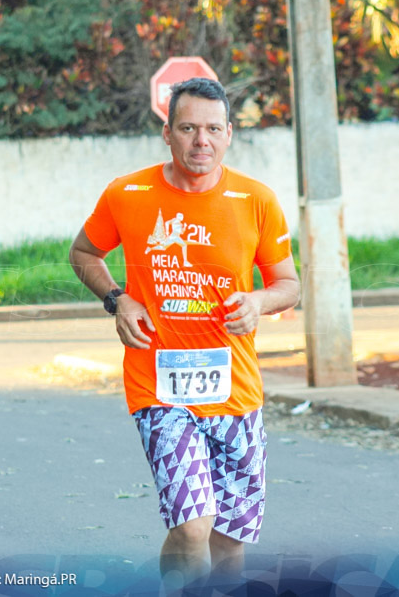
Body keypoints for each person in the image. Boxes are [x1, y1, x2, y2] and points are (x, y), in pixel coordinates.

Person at [68, 77, 301, 590]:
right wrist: (118, 298)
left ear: (230, 134)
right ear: (167, 133)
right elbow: (83, 253)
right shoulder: (128, 194)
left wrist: (259, 302)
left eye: (213, 129)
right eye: (189, 128)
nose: (202, 141)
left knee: (228, 540)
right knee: (193, 527)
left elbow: (289, 285)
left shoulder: (256, 200)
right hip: (159, 389)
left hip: (237, 391)